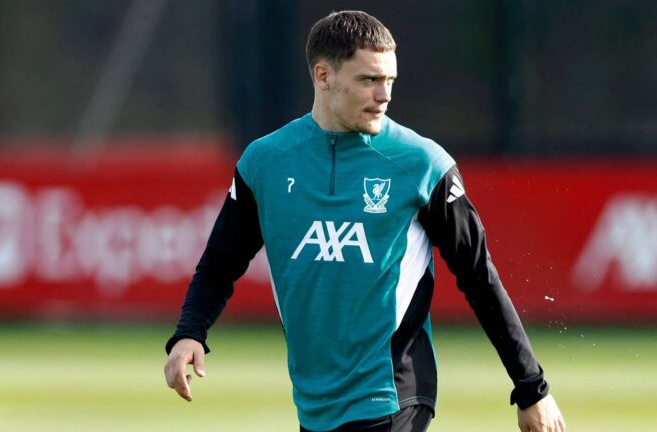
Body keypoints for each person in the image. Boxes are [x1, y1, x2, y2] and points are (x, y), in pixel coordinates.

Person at [164, 10, 566, 432]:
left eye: (389, 80)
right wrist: (190, 332)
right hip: (315, 402)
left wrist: (531, 388)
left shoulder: (422, 164)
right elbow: (219, 264)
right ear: (323, 76)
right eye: (369, 79)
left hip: (394, 392)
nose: (384, 94)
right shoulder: (264, 163)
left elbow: (479, 276)